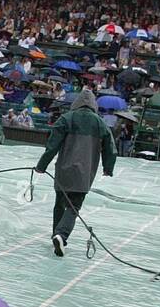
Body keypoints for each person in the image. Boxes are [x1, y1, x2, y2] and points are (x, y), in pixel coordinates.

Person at [35, 90, 116, 257]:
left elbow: (52, 146)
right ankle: (61, 235)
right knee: (74, 207)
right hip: (84, 173)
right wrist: (108, 168)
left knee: (59, 204)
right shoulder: (100, 124)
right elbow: (111, 149)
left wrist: (41, 166)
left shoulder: (65, 119)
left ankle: (55, 235)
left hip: (64, 169)